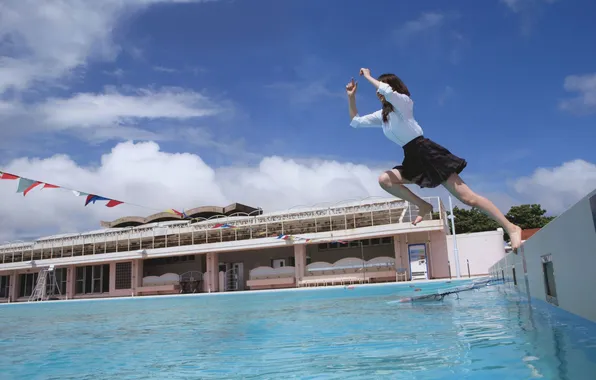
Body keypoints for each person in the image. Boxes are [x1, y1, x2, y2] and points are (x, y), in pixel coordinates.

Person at [346, 68, 522, 250]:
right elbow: (356, 122)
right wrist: (351, 97)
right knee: (385, 180)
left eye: (381, 88)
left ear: (393, 88)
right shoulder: (383, 116)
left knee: (468, 199)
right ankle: (423, 206)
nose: (378, 93)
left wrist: (367, 76)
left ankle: (512, 227)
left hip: (428, 153)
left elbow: (387, 91)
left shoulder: (404, 103)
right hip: (411, 157)